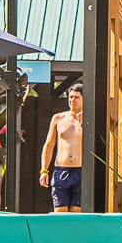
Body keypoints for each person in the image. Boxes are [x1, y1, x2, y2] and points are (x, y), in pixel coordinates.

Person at [40, 82, 84, 211]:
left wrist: (83, 125)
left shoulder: (88, 119)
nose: (72, 100)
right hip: (61, 169)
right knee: (60, 213)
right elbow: (49, 145)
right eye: (70, 97)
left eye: (76, 97)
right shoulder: (58, 118)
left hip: (80, 170)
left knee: (77, 213)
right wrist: (44, 170)